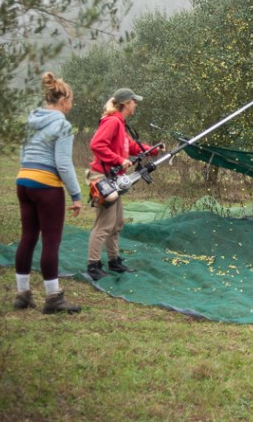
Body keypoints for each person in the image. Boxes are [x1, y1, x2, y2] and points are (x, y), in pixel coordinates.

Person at [14, 72, 83, 314]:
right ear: (63, 100)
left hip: (24, 181)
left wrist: (27, 173)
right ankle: (53, 297)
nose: (71, 107)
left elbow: (23, 155)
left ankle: (22, 294)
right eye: (71, 102)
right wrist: (76, 195)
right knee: (51, 241)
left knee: (28, 238)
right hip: (46, 186)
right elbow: (63, 164)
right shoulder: (62, 125)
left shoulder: (30, 121)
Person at [85, 88, 160, 281]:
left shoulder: (120, 124)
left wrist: (152, 150)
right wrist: (119, 160)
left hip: (113, 179)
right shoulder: (112, 122)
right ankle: (93, 265)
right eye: (134, 101)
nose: (136, 104)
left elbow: (131, 146)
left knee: (116, 223)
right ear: (126, 103)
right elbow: (96, 144)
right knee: (104, 224)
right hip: (102, 177)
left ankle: (114, 261)